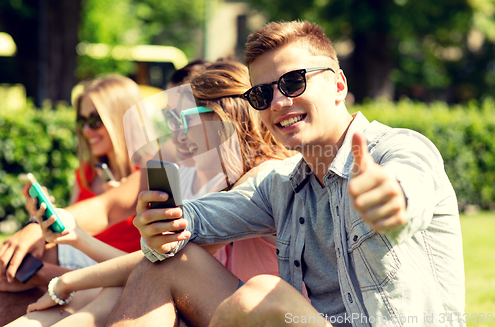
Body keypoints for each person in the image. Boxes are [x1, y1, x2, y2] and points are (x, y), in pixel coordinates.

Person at [108, 20, 465, 327]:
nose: (279, 102)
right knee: (166, 264)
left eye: (293, 82)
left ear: (338, 85)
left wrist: (389, 201)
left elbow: (407, 190)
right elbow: (196, 219)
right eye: (262, 94)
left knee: (263, 294)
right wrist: (161, 222)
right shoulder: (281, 185)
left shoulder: (398, 149)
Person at [5, 60, 293, 327]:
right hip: (205, 297)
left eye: (185, 120)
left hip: (256, 311)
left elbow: (164, 259)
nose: (177, 135)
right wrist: (59, 237)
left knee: (148, 274)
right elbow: (134, 235)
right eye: (171, 121)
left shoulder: (261, 179)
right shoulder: (204, 173)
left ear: (225, 119)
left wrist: (64, 279)